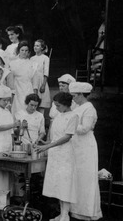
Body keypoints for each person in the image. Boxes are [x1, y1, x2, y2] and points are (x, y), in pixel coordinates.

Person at [35, 92, 79, 221]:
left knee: (65, 184)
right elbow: (56, 137)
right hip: (55, 154)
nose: (56, 108)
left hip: (65, 154)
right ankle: (61, 214)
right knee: (58, 184)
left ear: (66, 104)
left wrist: (47, 146)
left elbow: (67, 137)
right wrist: (45, 143)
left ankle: (65, 215)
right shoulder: (59, 116)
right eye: (55, 105)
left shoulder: (74, 116)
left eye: (58, 105)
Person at [69, 82, 102, 220]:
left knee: (86, 178)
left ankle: (87, 211)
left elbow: (85, 128)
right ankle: (76, 210)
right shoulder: (78, 107)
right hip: (77, 145)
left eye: (74, 96)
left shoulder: (89, 108)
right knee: (77, 177)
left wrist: (68, 124)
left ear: (81, 94)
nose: (73, 98)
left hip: (86, 146)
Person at [10, 41, 39, 116]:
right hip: (17, 89)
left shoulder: (33, 64)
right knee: (17, 108)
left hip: (28, 88)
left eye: (26, 50)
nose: (24, 52)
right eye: (22, 50)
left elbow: (35, 81)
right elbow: (10, 79)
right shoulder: (12, 63)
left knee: (27, 107)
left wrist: (35, 93)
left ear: (29, 52)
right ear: (18, 50)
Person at [31, 39, 51, 113]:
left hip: (42, 81)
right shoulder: (32, 58)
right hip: (33, 82)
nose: (35, 47)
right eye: (34, 45)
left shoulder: (45, 58)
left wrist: (43, 85)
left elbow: (46, 72)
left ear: (42, 48)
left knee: (41, 105)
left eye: (37, 46)